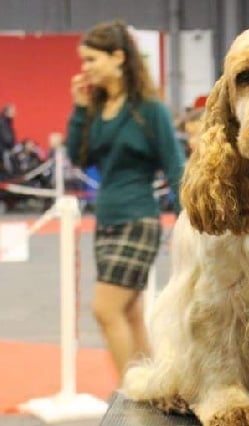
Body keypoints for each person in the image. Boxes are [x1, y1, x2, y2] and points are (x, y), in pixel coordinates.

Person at [65, 19, 185, 380]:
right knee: (129, 312)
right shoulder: (98, 107)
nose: (84, 68)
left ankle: (129, 396)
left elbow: (175, 166)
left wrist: (191, 224)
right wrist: (79, 110)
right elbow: (80, 157)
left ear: (118, 57)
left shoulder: (149, 110)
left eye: (91, 59)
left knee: (106, 309)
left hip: (138, 220)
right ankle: (155, 387)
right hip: (108, 220)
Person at [0, 103, 16, 175]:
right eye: (12, 111)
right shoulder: (3, 122)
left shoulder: (3, 122)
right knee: (6, 172)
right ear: (6, 112)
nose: (14, 113)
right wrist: (12, 145)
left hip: (0, 151)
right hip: (3, 151)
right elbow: (7, 138)